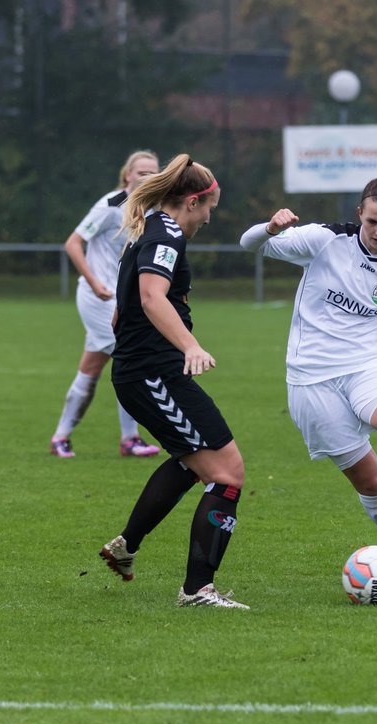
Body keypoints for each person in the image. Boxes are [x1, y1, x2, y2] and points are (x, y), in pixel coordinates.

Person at [239, 170, 377, 584]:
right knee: (373, 481)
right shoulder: (325, 240)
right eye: (371, 221)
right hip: (311, 380)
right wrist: (269, 227)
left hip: (367, 366)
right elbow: (249, 244)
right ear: (360, 213)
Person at [97, 154, 251, 609]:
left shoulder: (148, 229)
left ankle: (126, 545)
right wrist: (189, 346)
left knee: (192, 462)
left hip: (147, 372)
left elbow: (118, 315)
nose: (208, 218)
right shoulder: (166, 234)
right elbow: (150, 296)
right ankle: (197, 590)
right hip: (154, 375)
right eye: (209, 208)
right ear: (193, 200)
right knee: (227, 476)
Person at [50, 150, 163, 459]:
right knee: (131, 359)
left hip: (122, 298)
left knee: (91, 367)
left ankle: (61, 437)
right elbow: (73, 243)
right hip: (98, 297)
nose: (146, 176)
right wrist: (94, 281)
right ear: (127, 175)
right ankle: (130, 439)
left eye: (153, 171)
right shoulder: (111, 205)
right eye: (141, 172)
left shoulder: (153, 209)